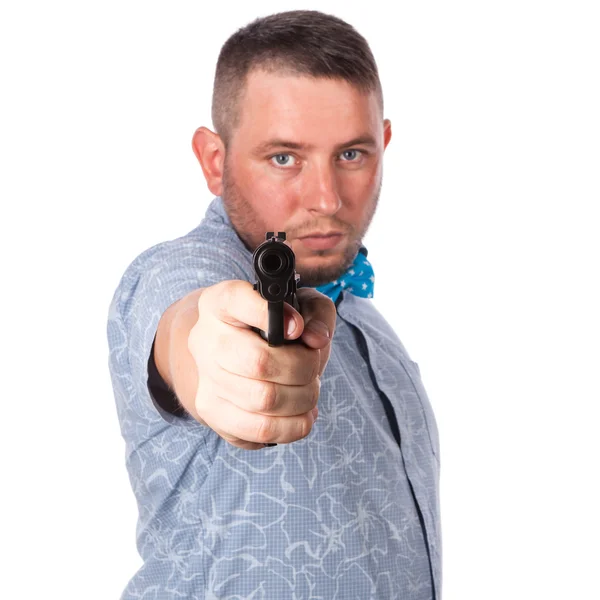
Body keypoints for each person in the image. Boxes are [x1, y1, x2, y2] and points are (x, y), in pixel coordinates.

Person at [107, 9, 442, 599]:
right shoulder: (174, 274)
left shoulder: (369, 324)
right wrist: (217, 358)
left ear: (384, 144)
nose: (326, 198)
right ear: (215, 161)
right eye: (285, 157)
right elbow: (190, 322)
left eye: (351, 154)